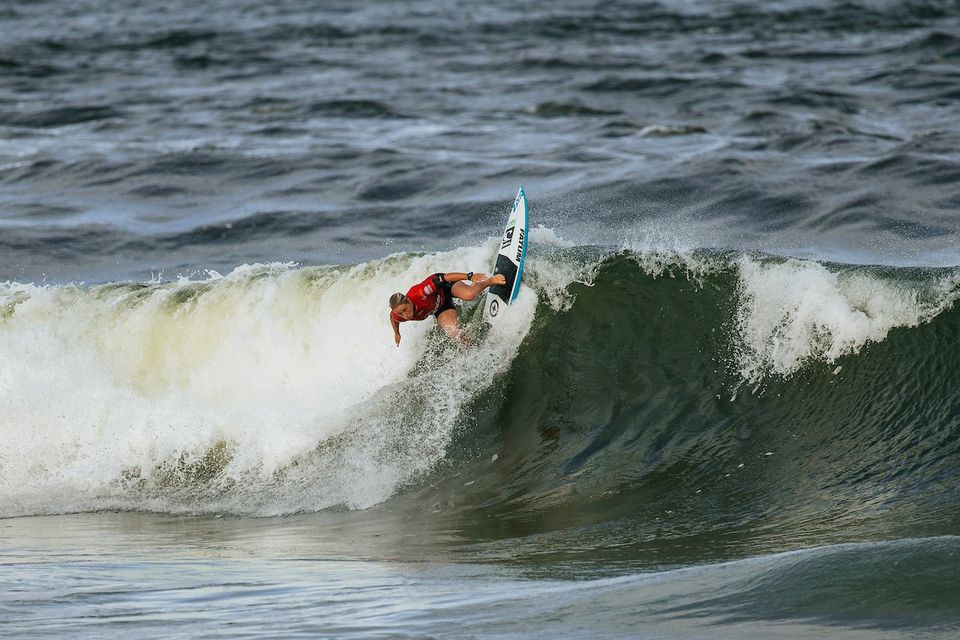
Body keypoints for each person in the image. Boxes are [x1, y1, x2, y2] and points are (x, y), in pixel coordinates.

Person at [389, 271, 506, 346]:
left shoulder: (421, 292)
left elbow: (445, 278)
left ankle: (490, 280)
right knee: (453, 333)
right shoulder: (397, 314)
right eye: (400, 313)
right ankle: (476, 346)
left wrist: (469, 276)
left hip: (445, 287)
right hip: (440, 306)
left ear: (408, 301)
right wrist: (397, 333)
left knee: (469, 295)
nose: (405, 315)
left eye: (405, 310)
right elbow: (393, 318)